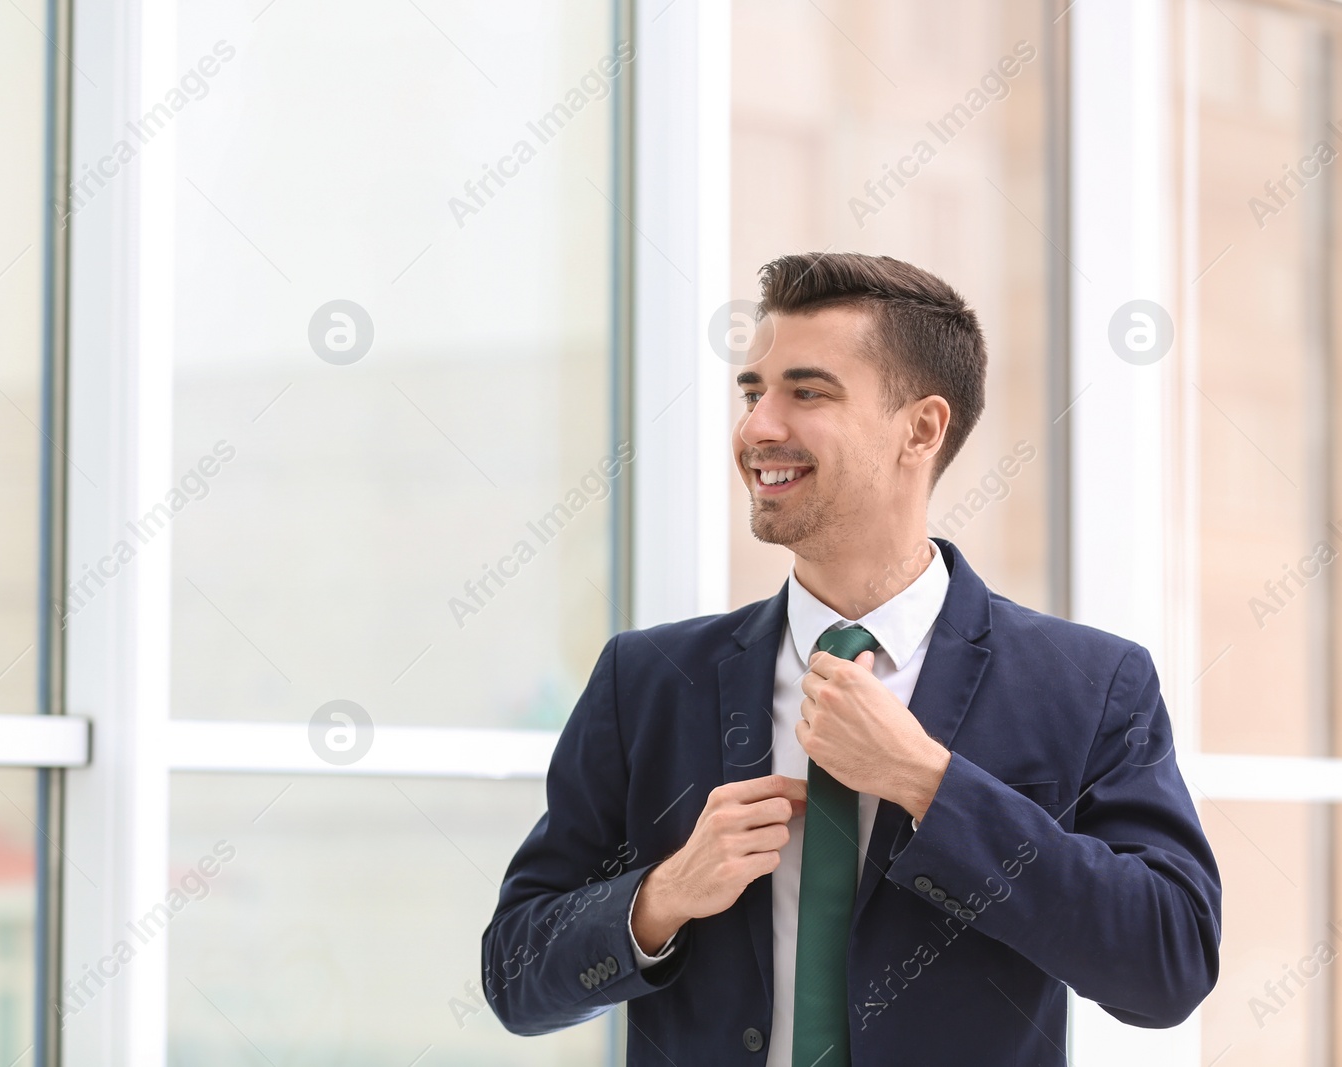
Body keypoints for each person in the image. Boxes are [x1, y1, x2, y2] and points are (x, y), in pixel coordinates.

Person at [480, 252, 1221, 1066]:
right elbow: (515, 974)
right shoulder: (648, 679)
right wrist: (663, 896)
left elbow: (1168, 964)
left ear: (923, 428)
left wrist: (929, 783)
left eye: (807, 391)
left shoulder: (1089, 685)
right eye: (754, 391)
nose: (758, 426)